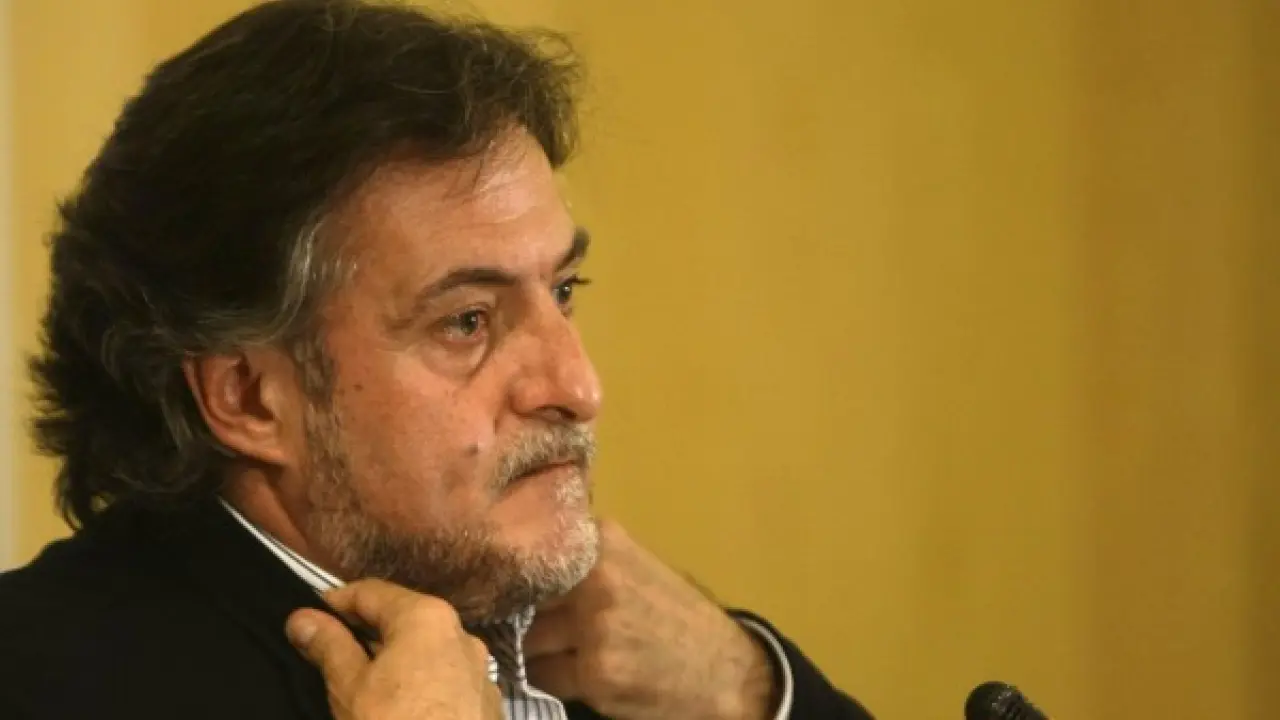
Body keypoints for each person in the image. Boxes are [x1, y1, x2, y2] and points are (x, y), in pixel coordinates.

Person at [0, 2, 875, 719]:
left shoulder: (636, 668)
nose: (577, 387)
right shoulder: (40, 684)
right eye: (467, 322)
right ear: (249, 398)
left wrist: (743, 687)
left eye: (563, 290)